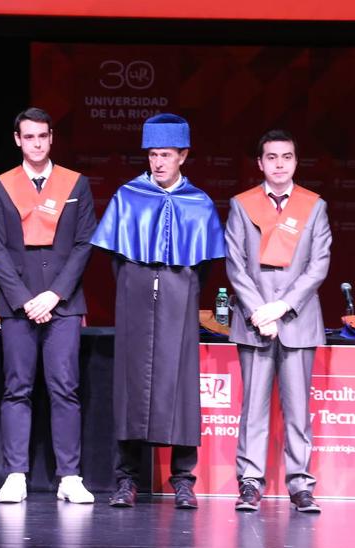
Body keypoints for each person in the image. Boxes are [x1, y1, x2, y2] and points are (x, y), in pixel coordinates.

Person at [91, 113, 225, 509]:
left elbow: (204, 264)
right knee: (131, 385)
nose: (159, 162)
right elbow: (115, 258)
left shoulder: (197, 202)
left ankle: (183, 479)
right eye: (153, 155)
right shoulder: (129, 195)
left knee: (180, 383)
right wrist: (138, 282)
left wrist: (176, 286)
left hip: (179, 294)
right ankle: (126, 478)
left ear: (183, 155)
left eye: (166, 154)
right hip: (134, 294)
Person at [0, 108, 97, 504]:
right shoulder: (0, 187)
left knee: (65, 388)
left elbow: (84, 244)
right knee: (17, 388)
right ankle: (16, 473)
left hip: (62, 304)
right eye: (28, 137)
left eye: (42, 136)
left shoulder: (76, 184)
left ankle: (70, 476)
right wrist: (24, 297)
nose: (36, 143)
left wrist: (54, 294)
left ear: (52, 138)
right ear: (17, 139)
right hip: (18, 305)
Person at [225, 130, 331, 513]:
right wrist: (259, 311)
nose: (280, 164)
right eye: (272, 157)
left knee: (298, 410)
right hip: (255, 323)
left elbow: (319, 265)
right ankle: (250, 482)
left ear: (296, 162)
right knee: (253, 407)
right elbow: (235, 265)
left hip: (296, 321)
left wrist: (282, 306)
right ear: (260, 163)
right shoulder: (242, 205)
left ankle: (300, 484)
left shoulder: (313, 206)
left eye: (287, 157)